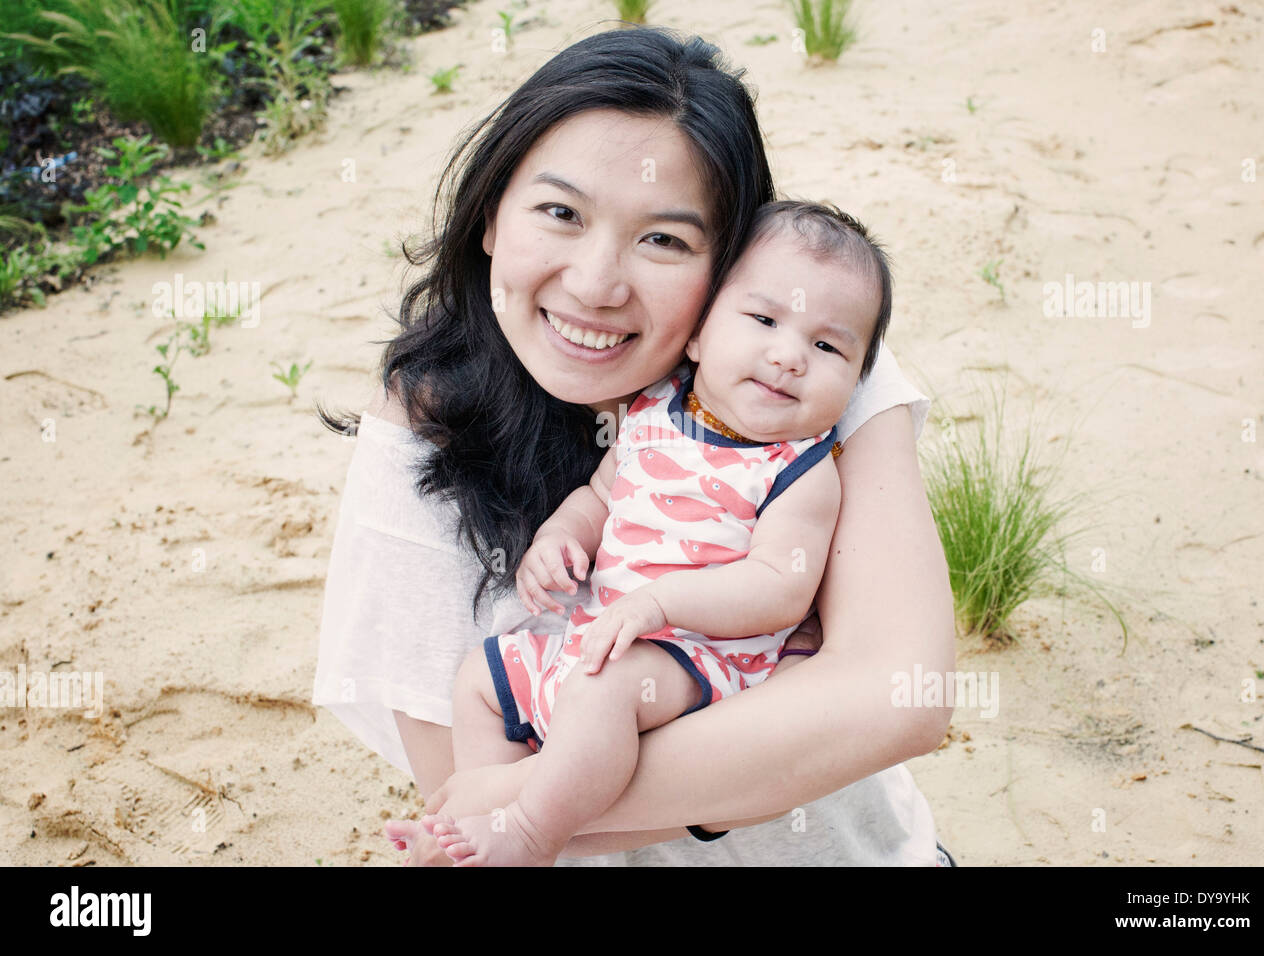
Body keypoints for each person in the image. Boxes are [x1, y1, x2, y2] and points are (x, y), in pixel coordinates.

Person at [313, 25, 956, 867]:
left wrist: (519, 802)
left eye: (664, 239)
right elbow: (457, 765)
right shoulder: (422, 426)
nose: (596, 284)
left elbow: (900, 699)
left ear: (725, 268)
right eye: (559, 213)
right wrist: (770, 750)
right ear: (490, 220)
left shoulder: (802, 367)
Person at [430, 201, 889, 866]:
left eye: (827, 346)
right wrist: (561, 540)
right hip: (607, 634)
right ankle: (482, 814)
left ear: (854, 382)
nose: (789, 356)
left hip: (707, 658)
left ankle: (530, 832)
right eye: (763, 320)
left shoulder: (799, 469)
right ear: (698, 336)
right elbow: (600, 495)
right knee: (484, 677)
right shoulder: (654, 410)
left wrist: (661, 605)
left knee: (600, 689)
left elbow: (779, 588)